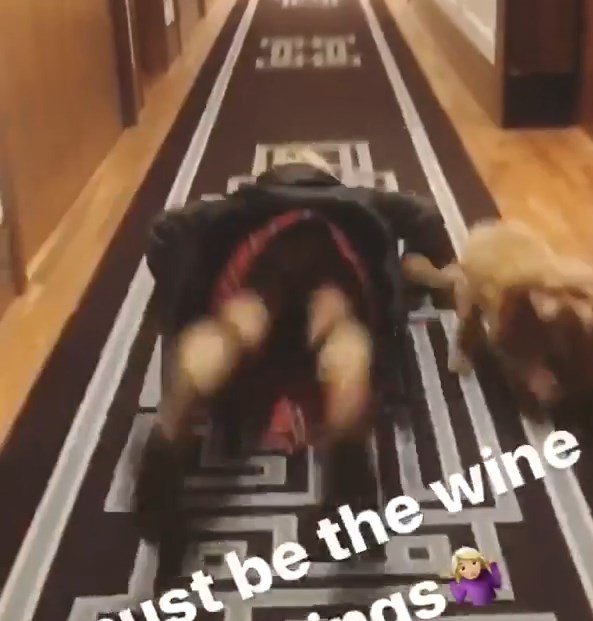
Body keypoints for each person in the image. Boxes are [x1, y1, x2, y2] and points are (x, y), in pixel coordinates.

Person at [134, 147, 451, 588]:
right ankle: (349, 474)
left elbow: (164, 231)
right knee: (337, 322)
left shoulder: (239, 202)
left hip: (268, 243)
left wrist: (180, 298)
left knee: (238, 323)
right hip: (330, 241)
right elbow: (425, 215)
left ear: (267, 175)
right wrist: (435, 267)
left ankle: (166, 441)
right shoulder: (357, 197)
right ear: (328, 175)